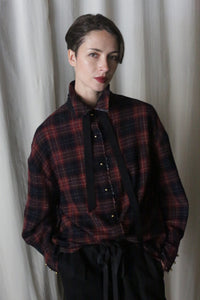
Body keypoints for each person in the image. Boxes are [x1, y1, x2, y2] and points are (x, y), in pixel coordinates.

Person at [22, 14, 188, 300]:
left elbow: (172, 193)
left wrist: (161, 256)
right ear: (72, 56)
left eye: (112, 57)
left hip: (141, 265)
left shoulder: (142, 117)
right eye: (94, 55)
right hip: (82, 271)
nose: (105, 67)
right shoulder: (49, 134)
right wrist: (64, 264)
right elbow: (36, 221)